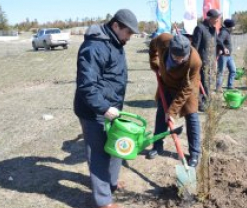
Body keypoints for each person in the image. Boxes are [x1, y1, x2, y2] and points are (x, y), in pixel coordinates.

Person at [73, 9, 139, 208]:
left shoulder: (116, 42)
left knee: (116, 146)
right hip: (94, 111)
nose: (129, 37)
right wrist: (103, 108)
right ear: (116, 25)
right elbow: (87, 85)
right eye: (128, 32)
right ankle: (103, 201)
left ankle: (110, 182)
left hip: (111, 108)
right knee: (99, 154)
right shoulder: (94, 47)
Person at [146, 33, 202, 167]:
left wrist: (172, 111)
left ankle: (194, 153)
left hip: (185, 87)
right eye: (176, 58)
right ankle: (157, 146)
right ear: (170, 49)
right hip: (166, 83)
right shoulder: (163, 40)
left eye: (183, 58)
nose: (180, 61)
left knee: (192, 116)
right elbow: (152, 46)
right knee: (161, 114)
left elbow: (187, 88)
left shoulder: (195, 61)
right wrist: (154, 62)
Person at [192, 9, 221, 110]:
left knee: (209, 82)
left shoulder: (213, 29)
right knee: (204, 82)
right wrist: (194, 61)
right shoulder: (200, 29)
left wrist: (223, 48)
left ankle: (206, 100)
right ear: (209, 18)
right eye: (216, 18)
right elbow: (195, 46)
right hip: (202, 61)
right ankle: (202, 104)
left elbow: (217, 41)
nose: (217, 20)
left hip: (211, 61)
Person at [216, 19, 237, 92]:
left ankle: (230, 86)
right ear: (230, 26)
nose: (234, 28)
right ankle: (218, 88)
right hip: (223, 56)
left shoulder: (227, 32)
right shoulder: (224, 32)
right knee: (221, 72)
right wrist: (224, 48)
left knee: (233, 70)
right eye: (233, 26)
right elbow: (218, 40)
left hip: (229, 56)